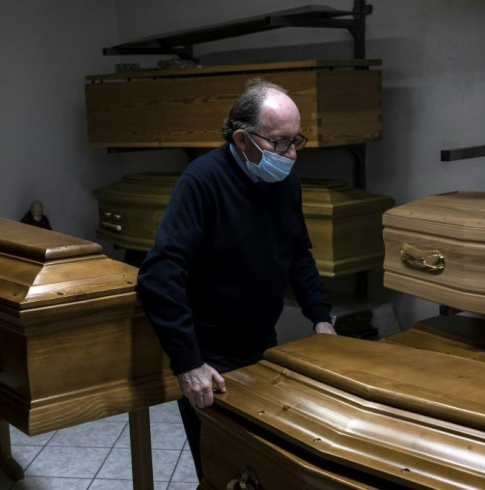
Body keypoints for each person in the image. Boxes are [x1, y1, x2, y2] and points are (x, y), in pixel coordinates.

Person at [136, 78, 336, 478]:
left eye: (297, 141)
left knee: (259, 467)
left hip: (262, 344)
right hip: (208, 358)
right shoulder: (202, 180)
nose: (292, 154)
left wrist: (321, 317)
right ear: (242, 139)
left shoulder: (285, 182)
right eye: (280, 143)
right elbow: (159, 274)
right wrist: (188, 362)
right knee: (219, 471)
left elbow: (298, 253)